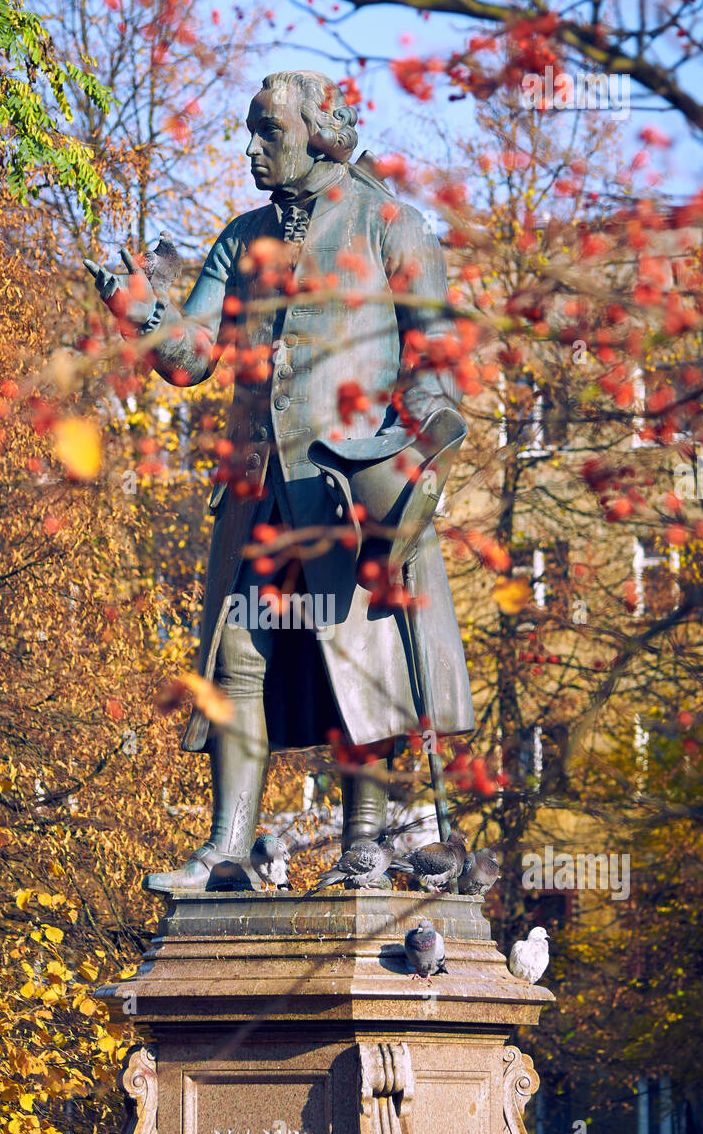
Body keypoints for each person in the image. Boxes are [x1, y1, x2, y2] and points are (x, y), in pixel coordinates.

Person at [85, 70, 473, 892]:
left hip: (354, 485)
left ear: (321, 132)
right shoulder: (242, 238)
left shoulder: (391, 225)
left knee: (362, 663)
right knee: (236, 658)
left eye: (269, 131)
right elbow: (191, 360)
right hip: (262, 492)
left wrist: (420, 451)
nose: (252, 147)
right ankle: (226, 846)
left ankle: (362, 843)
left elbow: (435, 362)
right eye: (250, 131)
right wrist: (142, 312)